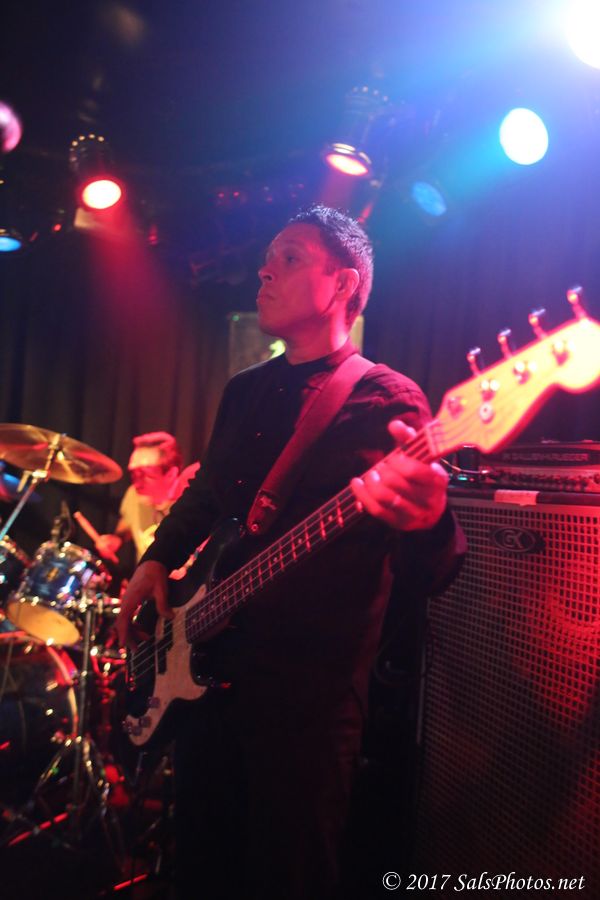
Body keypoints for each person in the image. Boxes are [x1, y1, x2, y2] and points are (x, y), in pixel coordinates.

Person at [116, 205, 465, 899]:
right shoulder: (246, 390)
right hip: (208, 676)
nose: (264, 270)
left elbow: (434, 573)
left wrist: (430, 520)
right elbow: (208, 496)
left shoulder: (387, 399)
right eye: (268, 257)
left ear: (344, 284)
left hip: (307, 702)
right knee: (202, 871)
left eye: (290, 257)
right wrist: (156, 558)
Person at [96, 431, 200, 563]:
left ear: (171, 474)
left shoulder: (194, 501)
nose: (136, 482)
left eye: (144, 474)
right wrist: (117, 539)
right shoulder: (133, 495)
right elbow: (127, 523)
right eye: (133, 473)